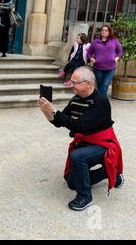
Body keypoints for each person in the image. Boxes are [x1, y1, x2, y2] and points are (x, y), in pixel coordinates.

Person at [38, 66, 124, 211]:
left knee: (77, 156)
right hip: (85, 142)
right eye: (71, 81)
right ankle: (112, 173)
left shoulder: (100, 102)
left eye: (75, 82)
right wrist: (46, 111)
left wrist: (53, 110)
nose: (71, 85)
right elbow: (60, 122)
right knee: (71, 182)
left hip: (103, 144)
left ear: (89, 84)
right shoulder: (76, 99)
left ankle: (85, 197)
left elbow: (79, 126)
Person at [87, 25, 123, 97]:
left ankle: (101, 103)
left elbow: (120, 51)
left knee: (105, 84)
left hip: (110, 67)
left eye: (106, 30)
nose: (104, 32)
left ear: (109, 32)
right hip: (98, 67)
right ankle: (102, 102)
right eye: (102, 30)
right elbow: (89, 53)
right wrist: (91, 59)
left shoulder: (114, 41)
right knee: (100, 84)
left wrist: (117, 58)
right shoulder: (96, 42)